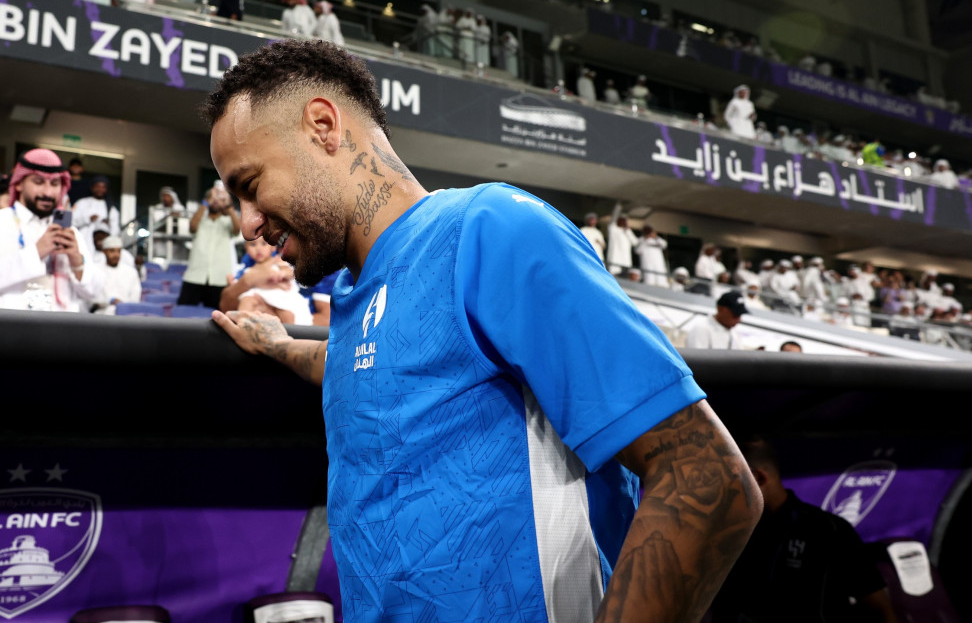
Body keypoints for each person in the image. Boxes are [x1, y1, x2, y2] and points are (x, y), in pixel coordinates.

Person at [202, 39, 759, 623]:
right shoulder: (352, 293)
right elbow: (378, 368)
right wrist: (284, 346)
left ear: (322, 125)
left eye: (250, 184)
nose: (248, 225)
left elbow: (706, 479)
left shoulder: (491, 230)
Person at [710, 438, 899, 623]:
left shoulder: (828, 531)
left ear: (758, 478)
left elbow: (879, 608)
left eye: (726, 483)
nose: (720, 493)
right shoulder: (727, 532)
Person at [0, 149, 102, 311]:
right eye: (38, 182)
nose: (47, 192)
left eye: (54, 184)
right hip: (6, 330)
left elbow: (94, 294)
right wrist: (36, 252)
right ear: (18, 183)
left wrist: (77, 263)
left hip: (58, 332)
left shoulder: (69, 232)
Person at [177, 180, 240, 307]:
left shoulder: (227, 221)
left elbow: (237, 230)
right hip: (194, 276)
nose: (216, 201)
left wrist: (228, 205)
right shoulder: (200, 219)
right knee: (183, 315)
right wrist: (207, 200)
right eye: (213, 198)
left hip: (219, 278)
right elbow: (192, 227)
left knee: (216, 318)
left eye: (220, 199)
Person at [90, 233, 140, 313]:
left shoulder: (131, 272)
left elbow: (135, 298)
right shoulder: (96, 270)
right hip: (101, 314)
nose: (116, 255)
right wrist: (110, 301)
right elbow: (91, 296)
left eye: (118, 251)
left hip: (127, 315)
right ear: (104, 251)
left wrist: (122, 306)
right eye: (112, 251)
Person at [72, 175, 120, 242]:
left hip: (101, 247)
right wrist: (88, 219)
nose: (100, 189)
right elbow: (72, 221)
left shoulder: (111, 209)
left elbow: (115, 231)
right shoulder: (81, 203)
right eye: (97, 186)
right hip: (81, 242)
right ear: (92, 187)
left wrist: (107, 225)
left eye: (103, 187)